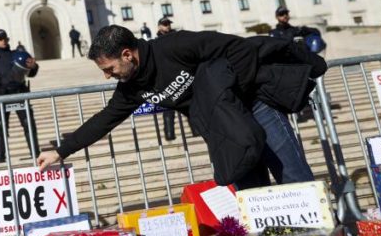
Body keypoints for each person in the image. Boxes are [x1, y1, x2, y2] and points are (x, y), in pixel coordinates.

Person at [36, 25, 327, 189]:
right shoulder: (132, 88)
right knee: (252, 196)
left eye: (110, 68)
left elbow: (237, 47)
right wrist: (61, 151)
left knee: (295, 181)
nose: (107, 76)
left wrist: (230, 96)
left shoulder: (175, 47)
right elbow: (104, 120)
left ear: (127, 54)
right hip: (226, 132)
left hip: (256, 109)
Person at [0, 29, 40, 163]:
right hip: (1, 95)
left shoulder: (17, 54)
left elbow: (30, 73)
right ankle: (0, 157)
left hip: (19, 92)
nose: (3, 41)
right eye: (0, 39)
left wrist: (34, 66)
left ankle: (35, 153)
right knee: (0, 126)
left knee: (28, 123)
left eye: (5, 39)